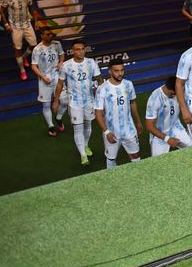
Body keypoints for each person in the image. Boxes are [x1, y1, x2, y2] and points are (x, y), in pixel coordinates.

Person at [54, 39, 103, 167]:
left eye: (82, 49)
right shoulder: (66, 65)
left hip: (89, 101)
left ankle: (85, 145)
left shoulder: (91, 63)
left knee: (88, 125)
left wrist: (104, 95)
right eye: (77, 49)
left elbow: (99, 79)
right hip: (74, 102)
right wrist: (56, 101)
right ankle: (83, 155)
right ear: (72, 51)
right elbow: (60, 84)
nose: (80, 52)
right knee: (78, 128)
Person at [94, 58, 142, 168]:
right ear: (110, 71)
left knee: (136, 156)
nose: (120, 73)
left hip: (129, 129)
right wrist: (106, 132)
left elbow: (133, 103)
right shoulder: (102, 89)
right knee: (111, 159)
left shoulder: (128, 84)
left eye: (122, 70)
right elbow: (98, 113)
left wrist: (138, 122)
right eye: (117, 71)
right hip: (112, 131)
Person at [145, 75, 192, 157]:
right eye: (176, 93)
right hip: (159, 134)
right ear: (171, 91)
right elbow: (149, 126)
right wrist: (167, 139)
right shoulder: (155, 99)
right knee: (159, 163)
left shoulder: (178, 92)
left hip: (176, 127)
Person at [31, 27, 64, 137]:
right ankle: (51, 125)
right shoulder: (37, 49)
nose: (50, 36)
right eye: (47, 34)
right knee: (46, 104)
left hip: (57, 76)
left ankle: (58, 117)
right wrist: (43, 77)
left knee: (64, 101)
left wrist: (61, 62)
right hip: (44, 79)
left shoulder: (57, 44)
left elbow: (62, 54)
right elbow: (34, 66)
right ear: (42, 36)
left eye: (51, 34)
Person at [1, 0, 37, 81]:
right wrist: (6, 24)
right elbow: (2, 10)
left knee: (33, 44)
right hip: (15, 27)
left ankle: (24, 57)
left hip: (27, 24)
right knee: (18, 49)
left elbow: (31, 8)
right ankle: (22, 70)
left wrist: (36, 21)